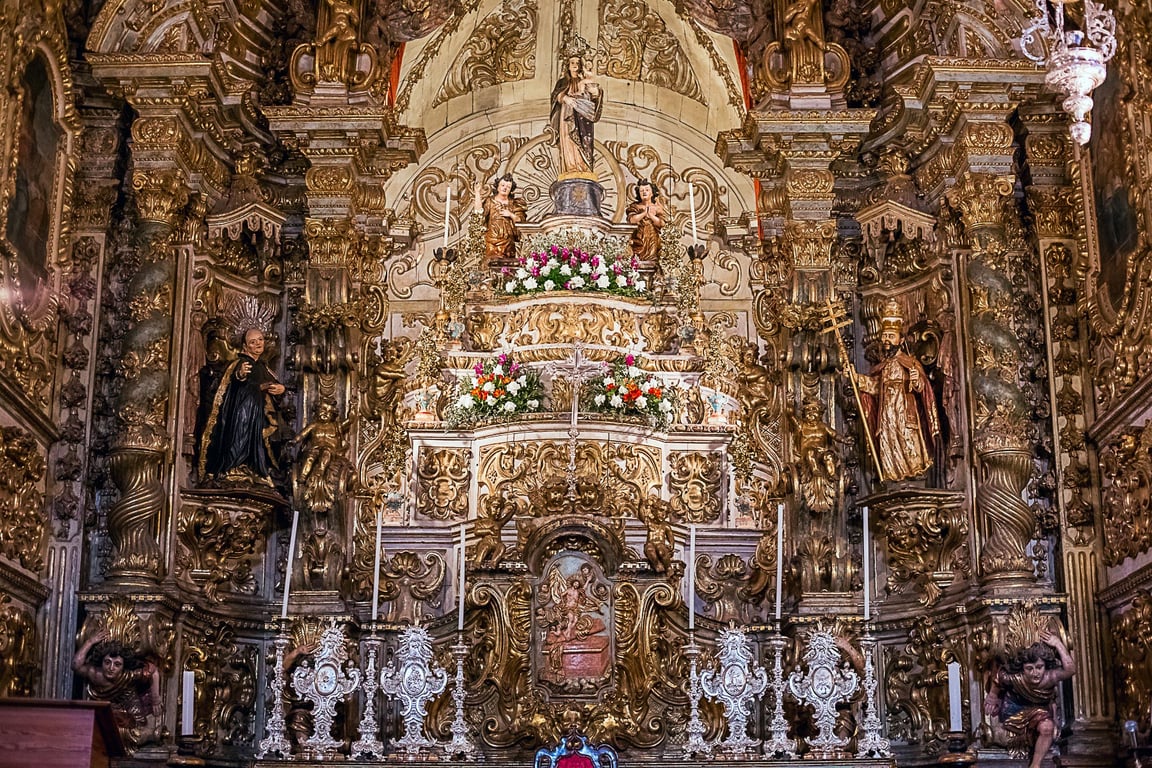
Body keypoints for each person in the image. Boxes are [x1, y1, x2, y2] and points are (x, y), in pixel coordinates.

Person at [854, 300, 939, 481]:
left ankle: (913, 474)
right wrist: (856, 378)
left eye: (891, 336)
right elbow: (875, 387)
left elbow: (923, 390)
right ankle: (892, 476)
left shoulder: (910, 363)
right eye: (885, 336)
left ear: (900, 340)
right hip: (887, 414)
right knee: (888, 441)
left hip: (904, 411)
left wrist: (916, 381)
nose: (886, 340)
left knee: (907, 440)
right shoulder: (882, 367)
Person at [198, 327, 286, 485]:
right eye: (253, 342)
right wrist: (240, 375)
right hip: (242, 412)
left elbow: (272, 387)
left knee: (257, 442)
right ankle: (234, 469)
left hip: (258, 415)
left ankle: (253, 469)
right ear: (245, 346)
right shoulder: (240, 363)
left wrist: (280, 389)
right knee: (239, 438)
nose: (258, 344)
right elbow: (230, 384)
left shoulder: (263, 367)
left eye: (260, 340)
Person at [985, 632, 1076, 768]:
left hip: (1040, 712)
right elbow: (998, 678)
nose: (1035, 673)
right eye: (1029, 669)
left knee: (1047, 727)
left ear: (1045, 666)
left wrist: (1058, 644)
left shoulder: (1050, 677)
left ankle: (1035, 765)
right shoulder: (1016, 678)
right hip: (1014, 710)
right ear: (1022, 669)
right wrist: (992, 696)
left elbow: (1070, 670)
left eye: (1039, 667)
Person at [73, 629, 162, 747]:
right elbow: (76, 665)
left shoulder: (129, 676)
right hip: (103, 705)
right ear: (101, 662)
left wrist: (155, 698)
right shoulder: (95, 675)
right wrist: (90, 642)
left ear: (124, 666)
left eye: (117, 664)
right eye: (107, 662)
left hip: (128, 700)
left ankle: (150, 735)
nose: (111, 668)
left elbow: (154, 671)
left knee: (137, 730)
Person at [550, 49, 603, 180]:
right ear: (567, 66)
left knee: (583, 138)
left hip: (582, 116)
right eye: (572, 63)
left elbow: (594, 96)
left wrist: (596, 92)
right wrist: (564, 98)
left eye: (577, 63)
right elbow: (555, 96)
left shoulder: (584, 81)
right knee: (568, 138)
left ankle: (582, 166)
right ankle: (571, 166)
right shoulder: (563, 82)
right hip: (567, 116)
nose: (575, 65)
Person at [475, 175, 527, 265]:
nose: (505, 188)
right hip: (492, 241)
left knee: (508, 266)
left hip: (509, 242)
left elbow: (521, 222)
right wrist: (477, 193)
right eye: (502, 185)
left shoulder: (514, 204)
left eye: (508, 187)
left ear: (511, 190)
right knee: (492, 264)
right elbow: (479, 214)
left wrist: (510, 214)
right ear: (497, 186)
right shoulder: (490, 201)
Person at [626, 179, 665, 262]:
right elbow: (632, 220)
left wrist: (651, 216)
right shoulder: (635, 206)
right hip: (638, 236)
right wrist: (644, 213)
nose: (644, 192)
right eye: (641, 191)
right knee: (637, 257)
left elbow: (661, 223)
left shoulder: (657, 208)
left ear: (652, 193)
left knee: (652, 258)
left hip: (652, 236)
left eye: (647, 190)